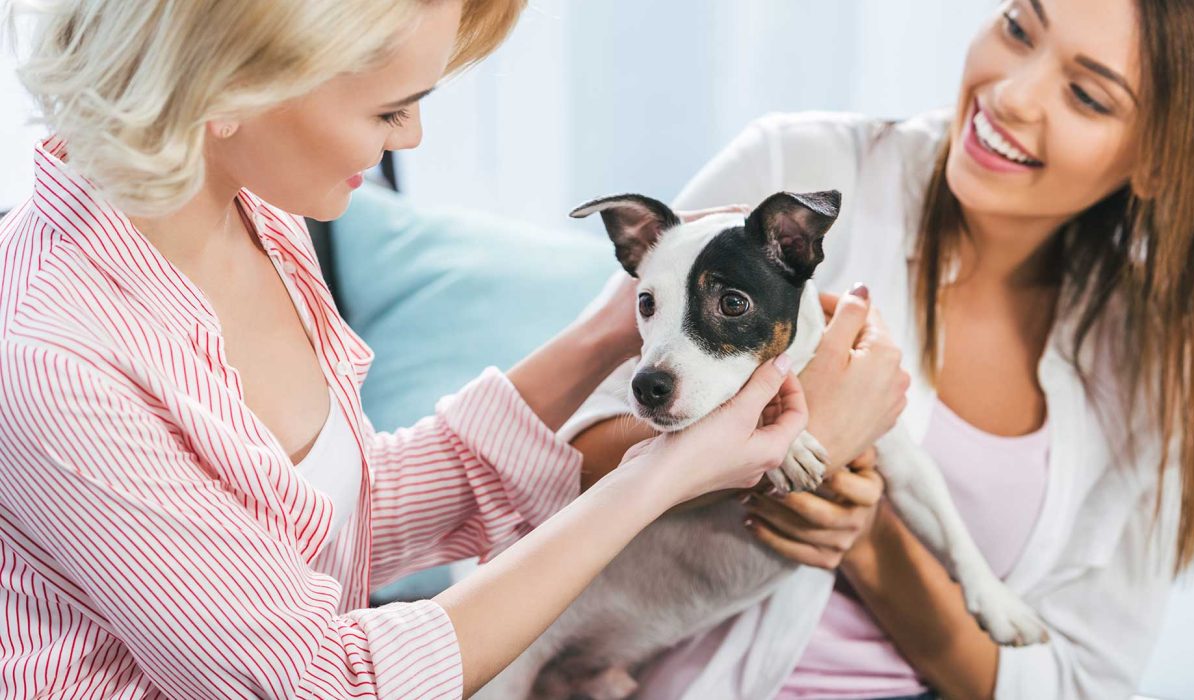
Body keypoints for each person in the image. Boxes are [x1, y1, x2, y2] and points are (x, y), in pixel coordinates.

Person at [0, 1, 903, 697]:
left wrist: (604, 333)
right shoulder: (52, 356)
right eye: (391, 110)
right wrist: (662, 476)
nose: (414, 138)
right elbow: (325, 682)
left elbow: (349, 516)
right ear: (230, 87)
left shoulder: (251, 208)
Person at [569, 0, 1194, 698]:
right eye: (1018, 26)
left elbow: (1078, 681)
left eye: (1086, 94)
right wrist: (765, 452)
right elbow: (559, 457)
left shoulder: (1149, 360)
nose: (1011, 95)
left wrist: (868, 532)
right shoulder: (798, 166)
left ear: (1162, 162)